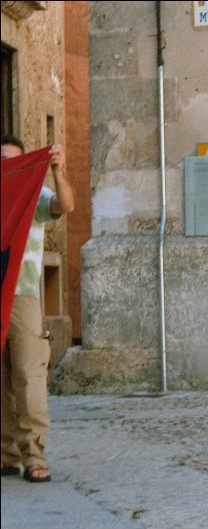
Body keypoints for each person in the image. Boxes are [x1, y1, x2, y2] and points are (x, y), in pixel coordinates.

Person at [1, 135, 75, 482]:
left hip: (22, 294)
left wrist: (57, 171)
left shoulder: (34, 193)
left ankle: (34, 455)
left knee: (28, 373)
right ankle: (6, 454)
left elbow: (64, 206)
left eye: (13, 160)